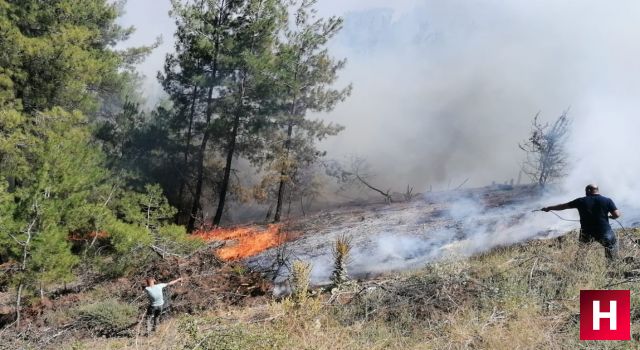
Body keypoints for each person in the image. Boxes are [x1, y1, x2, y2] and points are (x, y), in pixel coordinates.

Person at [541, 184, 621, 261]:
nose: (585, 193)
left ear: (589, 190)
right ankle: (611, 265)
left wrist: (549, 208)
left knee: (583, 251)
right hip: (604, 231)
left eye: (586, 191)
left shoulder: (581, 201)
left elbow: (563, 206)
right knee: (611, 247)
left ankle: (579, 266)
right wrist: (611, 217)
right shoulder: (607, 200)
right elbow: (617, 215)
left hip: (586, 231)